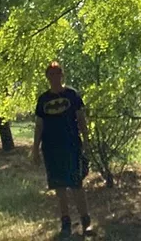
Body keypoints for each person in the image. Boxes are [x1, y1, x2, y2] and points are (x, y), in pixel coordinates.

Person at [33, 62, 92, 237]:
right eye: (51, 74)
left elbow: (81, 119)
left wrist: (87, 141)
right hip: (51, 148)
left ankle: (86, 222)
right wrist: (35, 149)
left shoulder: (72, 95)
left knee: (76, 184)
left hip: (72, 146)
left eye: (57, 73)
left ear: (62, 75)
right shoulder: (43, 100)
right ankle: (65, 223)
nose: (54, 77)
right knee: (59, 187)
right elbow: (39, 125)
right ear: (47, 77)